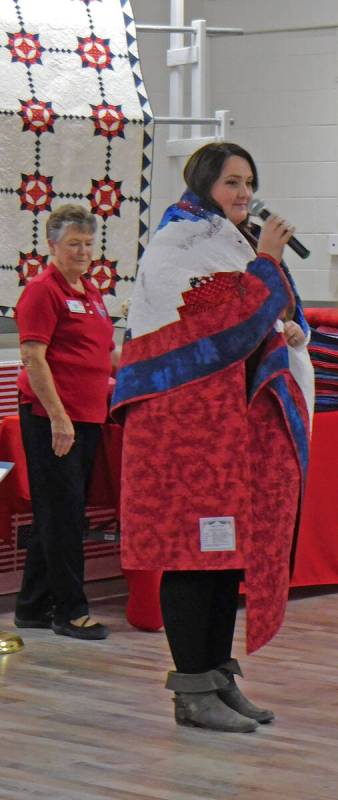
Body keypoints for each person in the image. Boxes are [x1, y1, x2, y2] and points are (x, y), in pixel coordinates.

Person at [111, 142, 314, 731]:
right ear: (203, 186)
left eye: (249, 181)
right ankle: (191, 690)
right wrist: (269, 263)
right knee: (191, 556)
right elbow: (224, 324)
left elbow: (263, 320)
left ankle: (218, 678)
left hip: (227, 428)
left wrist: (286, 320)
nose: (245, 193)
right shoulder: (177, 246)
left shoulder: (234, 245)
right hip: (181, 432)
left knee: (226, 554)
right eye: (231, 182)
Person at [14, 204, 117, 640]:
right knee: (64, 514)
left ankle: (32, 607)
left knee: (56, 512)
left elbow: (105, 354)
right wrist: (58, 418)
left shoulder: (90, 290)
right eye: (74, 243)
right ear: (52, 244)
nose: (83, 251)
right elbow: (34, 359)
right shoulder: (42, 290)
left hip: (88, 415)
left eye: (89, 243)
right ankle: (69, 612)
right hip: (52, 417)